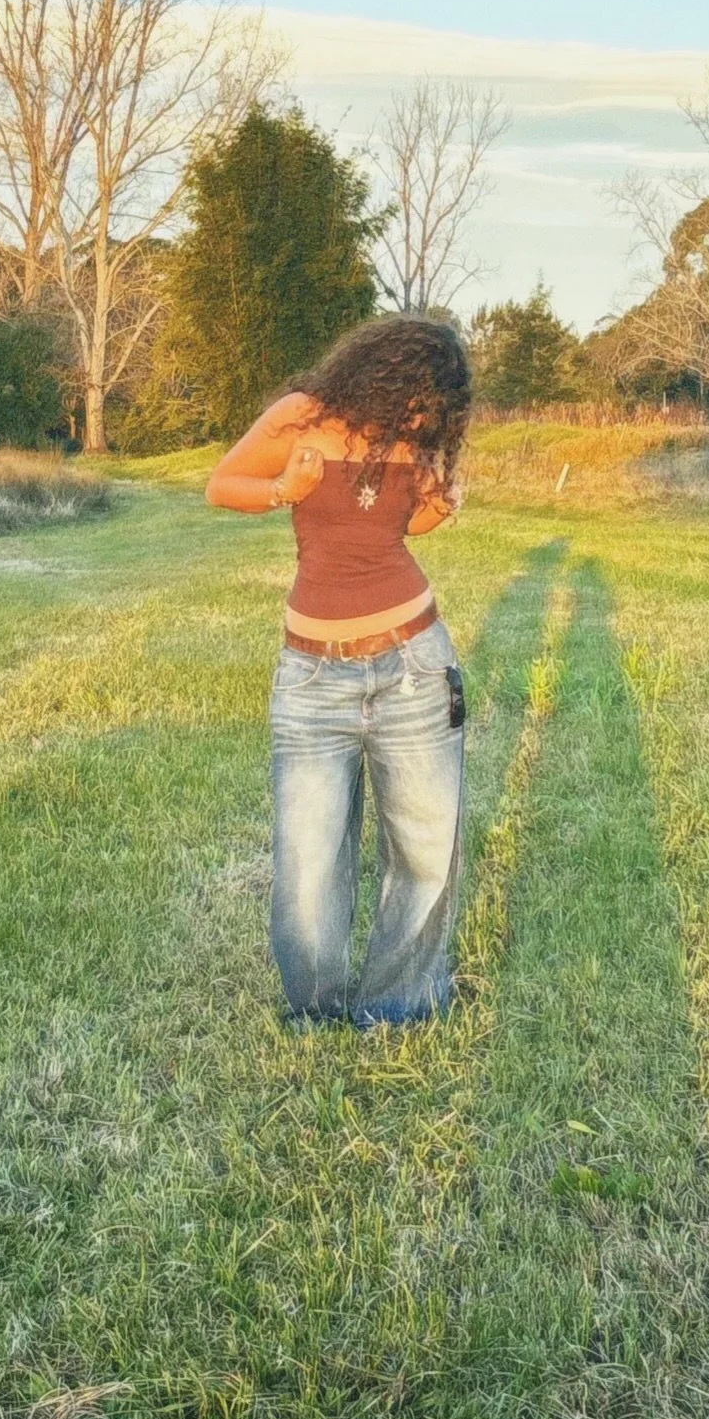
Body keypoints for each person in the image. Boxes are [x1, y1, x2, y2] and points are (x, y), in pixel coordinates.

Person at [205, 315, 471, 1028]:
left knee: (423, 847)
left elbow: (401, 529)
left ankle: (400, 1005)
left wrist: (439, 507)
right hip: (311, 678)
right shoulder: (301, 417)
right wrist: (284, 490)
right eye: (418, 397)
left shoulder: (413, 442)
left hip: (414, 663)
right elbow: (222, 484)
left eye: (434, 409)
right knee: (309, 858)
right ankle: (315, 1009)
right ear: (384, 372)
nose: (422, 415)